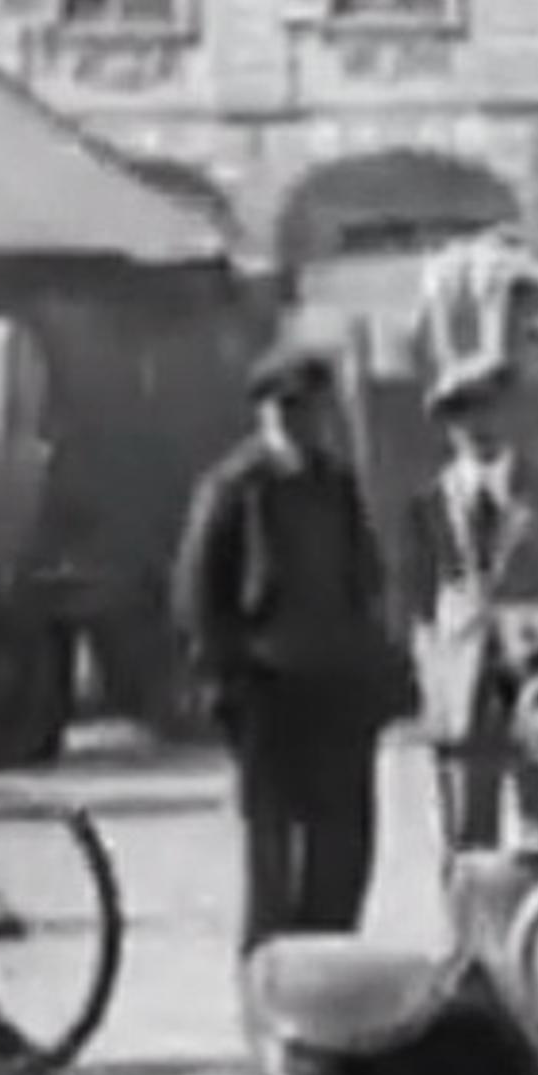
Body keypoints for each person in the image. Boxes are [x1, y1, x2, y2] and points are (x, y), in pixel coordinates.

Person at [171, 335, 406, 954]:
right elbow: (199, 598)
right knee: (273, 854)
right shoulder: (233, 488)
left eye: (312, 408)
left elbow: (366, 578)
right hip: (270, 694)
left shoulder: (337, 484)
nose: (301, 422)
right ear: (263, 413)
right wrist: (226, 682)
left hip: (339, 691)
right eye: (287, 409)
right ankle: (273, 987)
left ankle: (329, 973)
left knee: (344, 847)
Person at [407, 351, 538, 854]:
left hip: (537, 672)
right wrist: (434, 677)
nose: (478, 428)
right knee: (468, 831)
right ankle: (470, 929)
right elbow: (418, 600)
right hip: (463, 681)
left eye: (490, 411)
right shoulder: (430, 503)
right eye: (462, 417)